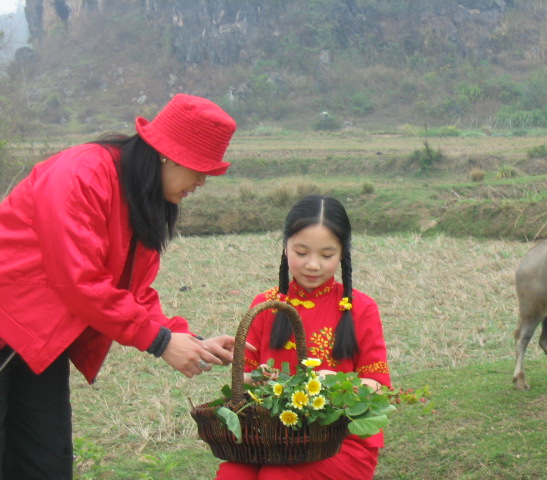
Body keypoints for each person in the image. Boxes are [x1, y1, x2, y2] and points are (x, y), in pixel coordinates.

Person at [0, 94, 244, 479]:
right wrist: (161, 343)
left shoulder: (140, 195)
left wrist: (187, 338)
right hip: (10, 324)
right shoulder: (81, 174)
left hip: (39, 343)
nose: (202, 182)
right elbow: (79, 281)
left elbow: (134, 292)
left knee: (44, 462)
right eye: (200, 169)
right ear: (169, 154)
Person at [215, 195, 392, 480]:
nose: (312, 265)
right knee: (232, 475)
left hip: (338, 441)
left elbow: (379, 385)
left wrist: (334, 384)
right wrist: (257, 377)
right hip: (271, 436)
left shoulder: (361, 308)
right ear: (285, 248)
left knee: (276, 477)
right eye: (301, 252)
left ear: (342, 253)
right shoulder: (265, 304)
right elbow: (242, 379)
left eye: (326, 255)